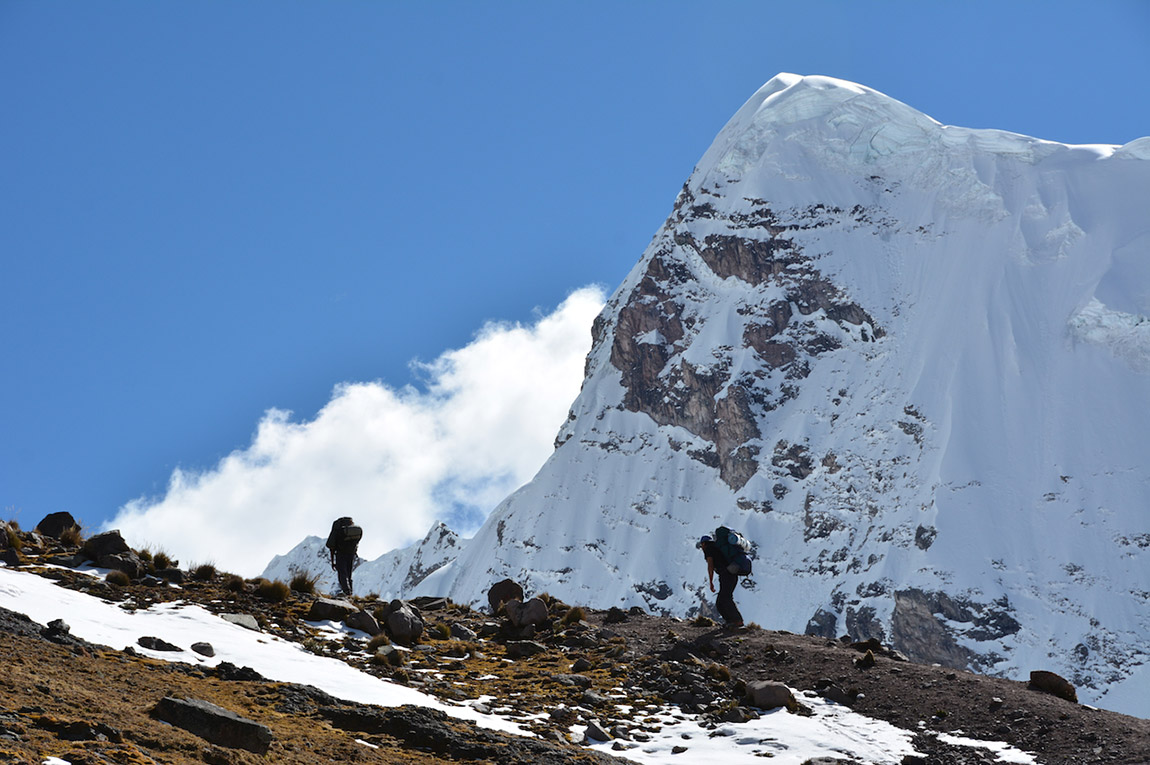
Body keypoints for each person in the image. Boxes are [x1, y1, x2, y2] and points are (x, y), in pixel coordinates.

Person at [697, 534, 744, 628]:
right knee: (722, 600)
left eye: (701, 545)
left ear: (704, 543)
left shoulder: (709, 549)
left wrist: (711, 582)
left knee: (724, 599)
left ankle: (737, 621)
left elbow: (710, 565)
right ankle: (730, 621)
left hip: (726, 575)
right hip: (731, 575)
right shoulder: (717, 548)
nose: (702, 547)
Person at [326, 517, 361, 596]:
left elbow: (331, 547)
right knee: (348, 574)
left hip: (341, 554)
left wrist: (333, 562)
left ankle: (346, 591)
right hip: (351, 554)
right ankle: (350, 592)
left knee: (342, 573)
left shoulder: (337, 531)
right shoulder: (351, 532)